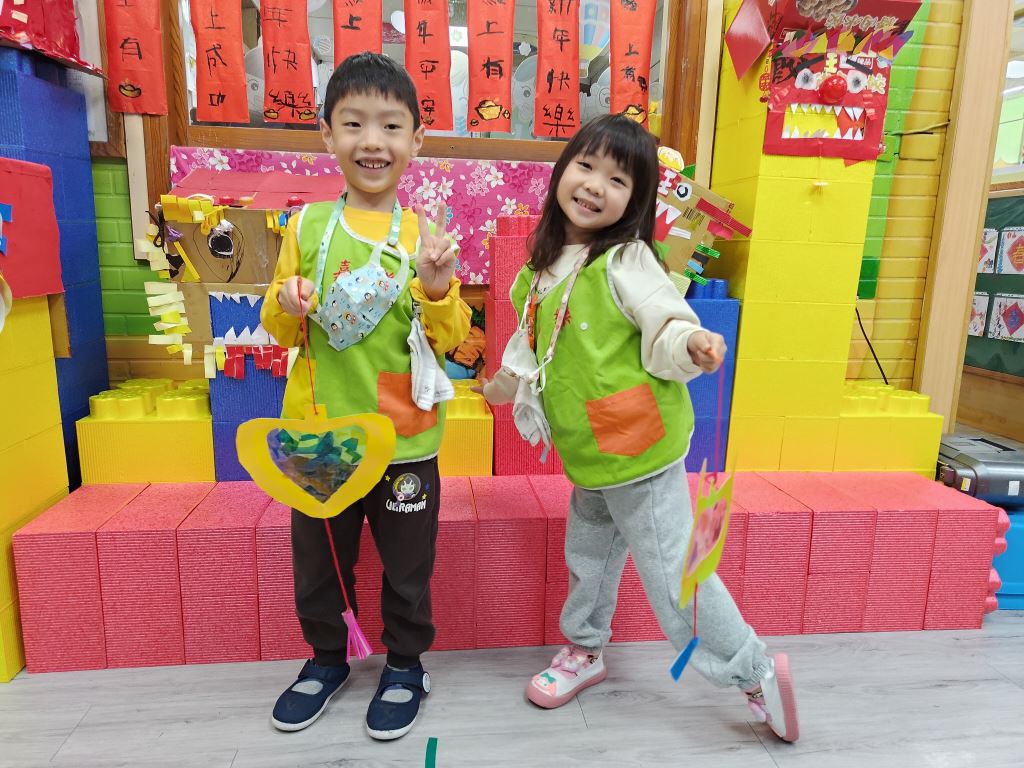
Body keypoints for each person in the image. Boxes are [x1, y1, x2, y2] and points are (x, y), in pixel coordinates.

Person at [475, 114, 799, 742]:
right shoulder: (539, 269)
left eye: (618, 179)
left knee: (675, 573)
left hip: (638, 449)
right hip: (589, 451)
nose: (595, 185)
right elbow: (529, 348)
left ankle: (753, 670)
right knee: (589, 556)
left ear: (637, 200)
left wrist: (691, 344)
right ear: (562, 170)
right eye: (586, 166)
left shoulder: (626, 259)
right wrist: (499, 388)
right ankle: (584, 650)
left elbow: (665, 320)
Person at [260, 52, 471, 741]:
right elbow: (277, 326)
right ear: (327, 134)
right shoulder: (306, 227)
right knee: (320, 562)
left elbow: (452, 336)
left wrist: (436, 289)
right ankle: (327, 659)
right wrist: (286, 301)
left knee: (408, 565)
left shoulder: (424, 233)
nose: (371, 141)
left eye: (390, 125)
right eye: (353, 123)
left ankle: (406, 665)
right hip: (319, 432)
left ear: (416, 139)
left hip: (405, 436)